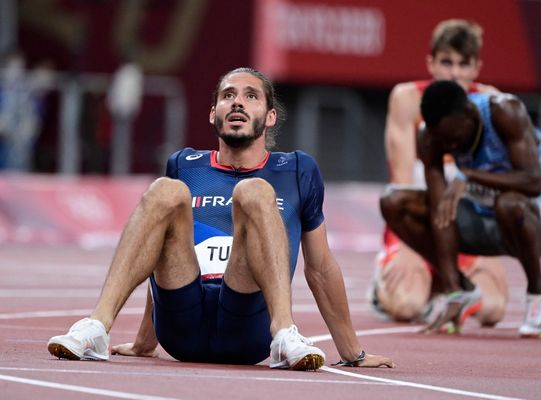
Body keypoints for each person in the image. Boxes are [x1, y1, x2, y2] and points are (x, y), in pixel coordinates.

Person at [47, 67, 394, 370]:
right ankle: (96, 327)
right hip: (182, 324)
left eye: (251, 96)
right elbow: (161, 253)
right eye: (228, 96)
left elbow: (320, 267)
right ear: (214, 114)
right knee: (164, 191)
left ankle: (285, 335)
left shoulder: (298, 170)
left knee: (254, 191)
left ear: (270, 116)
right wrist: (144, 342)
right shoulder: (185, 164)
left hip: (248, 326)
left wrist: (353, 353)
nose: (238, 102)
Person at [380, 80, 541, 338]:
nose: (450, 147)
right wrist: (451, 286)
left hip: (530, 221)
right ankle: (462, 290)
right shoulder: (430, 137)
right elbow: (442, 213)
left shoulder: (505, 112)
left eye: (453, 138)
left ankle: (537, 294)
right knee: (394, 202)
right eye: (443, 140)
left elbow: (532, 181)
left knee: (509, 204)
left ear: (469, 114)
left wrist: (470, 176)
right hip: (476, 220)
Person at [371, 19, 508, 329]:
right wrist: (406, 246)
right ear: (431, 64)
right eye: (446, 62)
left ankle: (443, 289)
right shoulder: (407, 99)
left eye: (463, 64)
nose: (454, 73)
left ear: (476, 68)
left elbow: (493, 184)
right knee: (406, 305)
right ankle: (396, 284)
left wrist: (490, 253)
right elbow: (402, 180)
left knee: (493, 309)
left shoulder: (490, 103)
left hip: (465, 232)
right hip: (417, 226)